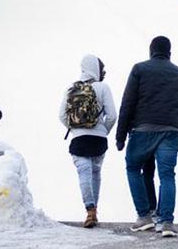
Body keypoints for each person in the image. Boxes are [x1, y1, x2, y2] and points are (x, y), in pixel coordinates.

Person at [116, 36, 178, 238]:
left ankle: (144, 217)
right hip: (171, 132)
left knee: (133, 167)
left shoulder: (139, 69)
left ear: (151, 51)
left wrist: (120, 135)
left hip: (142, 130)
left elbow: (128, 103)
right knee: (167, 175)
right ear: (169, 52)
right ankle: (167, 222)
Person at [59, 54, 117, 228]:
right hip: (99, 139)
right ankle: (95, 211)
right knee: (95, 173)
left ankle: (89, 210)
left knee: (83, 172)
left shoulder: (71, 89)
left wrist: (77, 128)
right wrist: (102, 130)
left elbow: (62, 116)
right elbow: (112, 115)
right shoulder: (103, 87)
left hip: (79, 139)